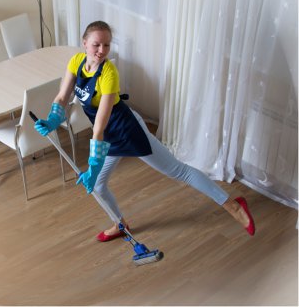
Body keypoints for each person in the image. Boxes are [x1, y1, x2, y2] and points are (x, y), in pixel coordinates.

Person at [34, 20, 255, 241]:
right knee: (99, 186)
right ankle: (120, 223)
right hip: (108, 136)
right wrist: (53, 119)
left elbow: (99, 125)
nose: (102, 51)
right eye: (96, 45)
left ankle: (234, 206)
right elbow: (63, 96)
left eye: (107, 45)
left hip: (127, 130)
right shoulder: (76, 62)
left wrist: (93, 165)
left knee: (178, 171)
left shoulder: (109, 73)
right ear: (84, 43)